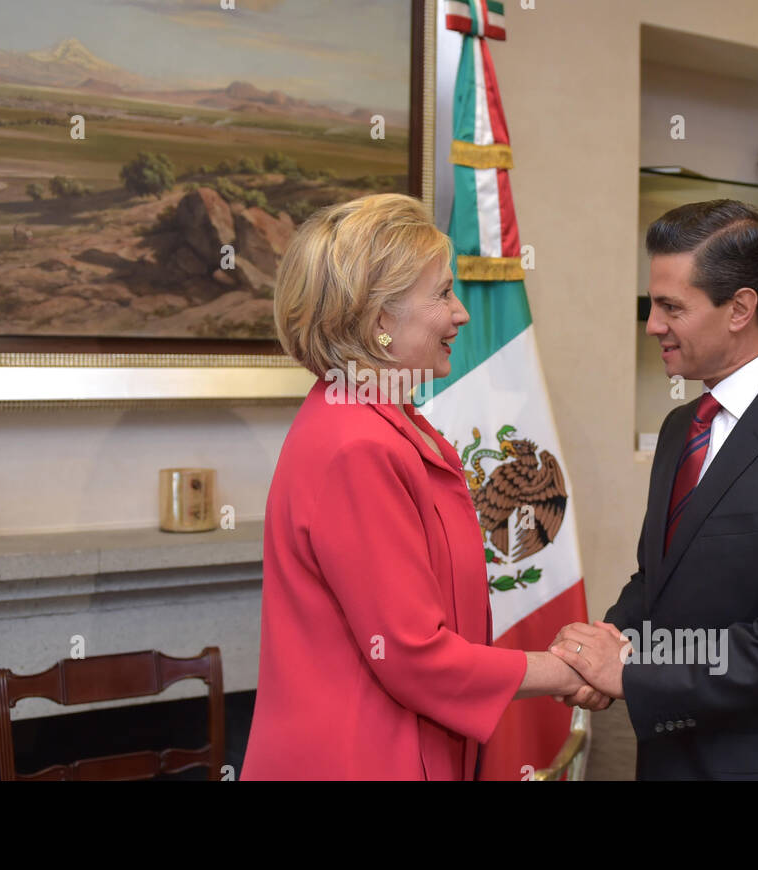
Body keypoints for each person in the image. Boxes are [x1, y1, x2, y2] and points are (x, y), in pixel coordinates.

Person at [241, 193, 590, 780]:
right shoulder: (358, 445)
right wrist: (565, 671)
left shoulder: (391, 424)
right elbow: (412, 653)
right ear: (381, 320)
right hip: (358, 759)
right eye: (443, 294)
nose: (462, 314)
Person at [551, 199, 758, 781]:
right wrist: (602, 646)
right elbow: (658, 580)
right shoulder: (685, 425)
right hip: (668, 758)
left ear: (740, 309)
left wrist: (629, 675)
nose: (652, 325)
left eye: (670, 307)